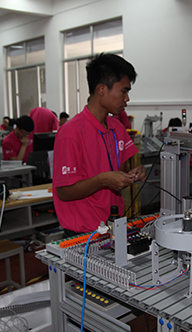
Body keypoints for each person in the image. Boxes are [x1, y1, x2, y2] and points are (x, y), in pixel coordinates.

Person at [53, 53, 147, 235]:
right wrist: (102, 180)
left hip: (113, 225)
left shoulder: (116, 128)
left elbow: (120, 169)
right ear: (102, 89)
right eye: (124, 91)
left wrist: (136, 172)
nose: (127, 98)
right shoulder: (71, 133)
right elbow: (64, 192)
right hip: (83, 234)